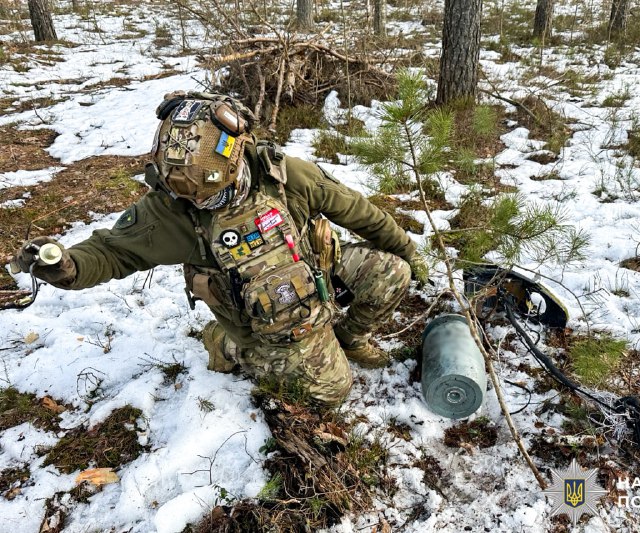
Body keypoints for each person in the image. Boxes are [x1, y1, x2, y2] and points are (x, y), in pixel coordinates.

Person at [11, 91, 429, 406]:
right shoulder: (168, 211)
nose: (198, 202)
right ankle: (227, 345)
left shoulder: (284, 176)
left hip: (310, 270)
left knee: (392, 273)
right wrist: (65, 266)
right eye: (187, 194)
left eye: (209, 194)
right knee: (332, 391)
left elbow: (359, 212)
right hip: (256, 319)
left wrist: (409, 252)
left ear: (237, 158)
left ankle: (346, 337)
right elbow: (112, 251)